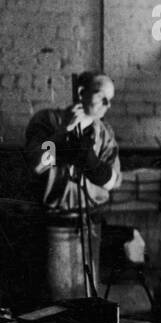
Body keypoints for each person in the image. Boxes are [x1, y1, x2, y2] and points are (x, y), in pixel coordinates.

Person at [23, 72, 122, 298]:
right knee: (57, 298)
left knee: (86, 294)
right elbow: (37, 165)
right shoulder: (46, 121)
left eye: (111, 98)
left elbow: (114, 181)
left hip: (90, 224)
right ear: (80, 93)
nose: (108, 104)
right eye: (101, 96)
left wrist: (92, 162)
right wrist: (61, 134)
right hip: (54, 225)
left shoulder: (104, 133)